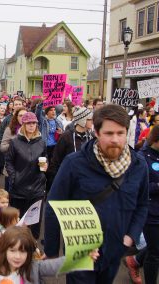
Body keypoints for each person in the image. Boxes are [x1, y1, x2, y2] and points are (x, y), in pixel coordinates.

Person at [44, 104, 149, 283]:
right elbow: (54, 205)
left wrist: (130, 237)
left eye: (120, 133)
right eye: (109, 133)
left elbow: (142, 204)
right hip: (81, 248)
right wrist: (52, 251)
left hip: (116, 247)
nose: (115, 139)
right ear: (97, 132)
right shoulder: (74, 163)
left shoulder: (138, 166)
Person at [0, 226, 99, 283]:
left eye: (23, 251)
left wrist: (82, 256)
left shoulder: (33, 268)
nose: (17, 256)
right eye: (13, 250)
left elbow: (57, 265)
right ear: (4, 250)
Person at [5, 112, 47, 239]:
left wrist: (45, 166)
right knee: (17, 224)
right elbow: (9, 162)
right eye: (29, 123)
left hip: (37, 189)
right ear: (23, 124)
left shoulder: (42, 142)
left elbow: (45, 159)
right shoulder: (15, 142)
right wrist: (14, 177)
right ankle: (16, 249)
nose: (31, 125)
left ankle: (32, 249)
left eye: (34, 123)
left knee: (34, 225)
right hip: (19, 189)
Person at [47, 107, 94, 185]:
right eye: (90, 119)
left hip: (86, 181)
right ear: (82, 120)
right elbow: (56, 160)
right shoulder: (66, 137)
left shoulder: (92, 137)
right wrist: (54, 182)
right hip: (68, 180)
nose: (92, 121)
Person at [138, 125, 159, 284]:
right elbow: (139, 188)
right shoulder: (142, 157)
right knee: (155, 252)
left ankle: (135, 260)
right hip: (151, 212)